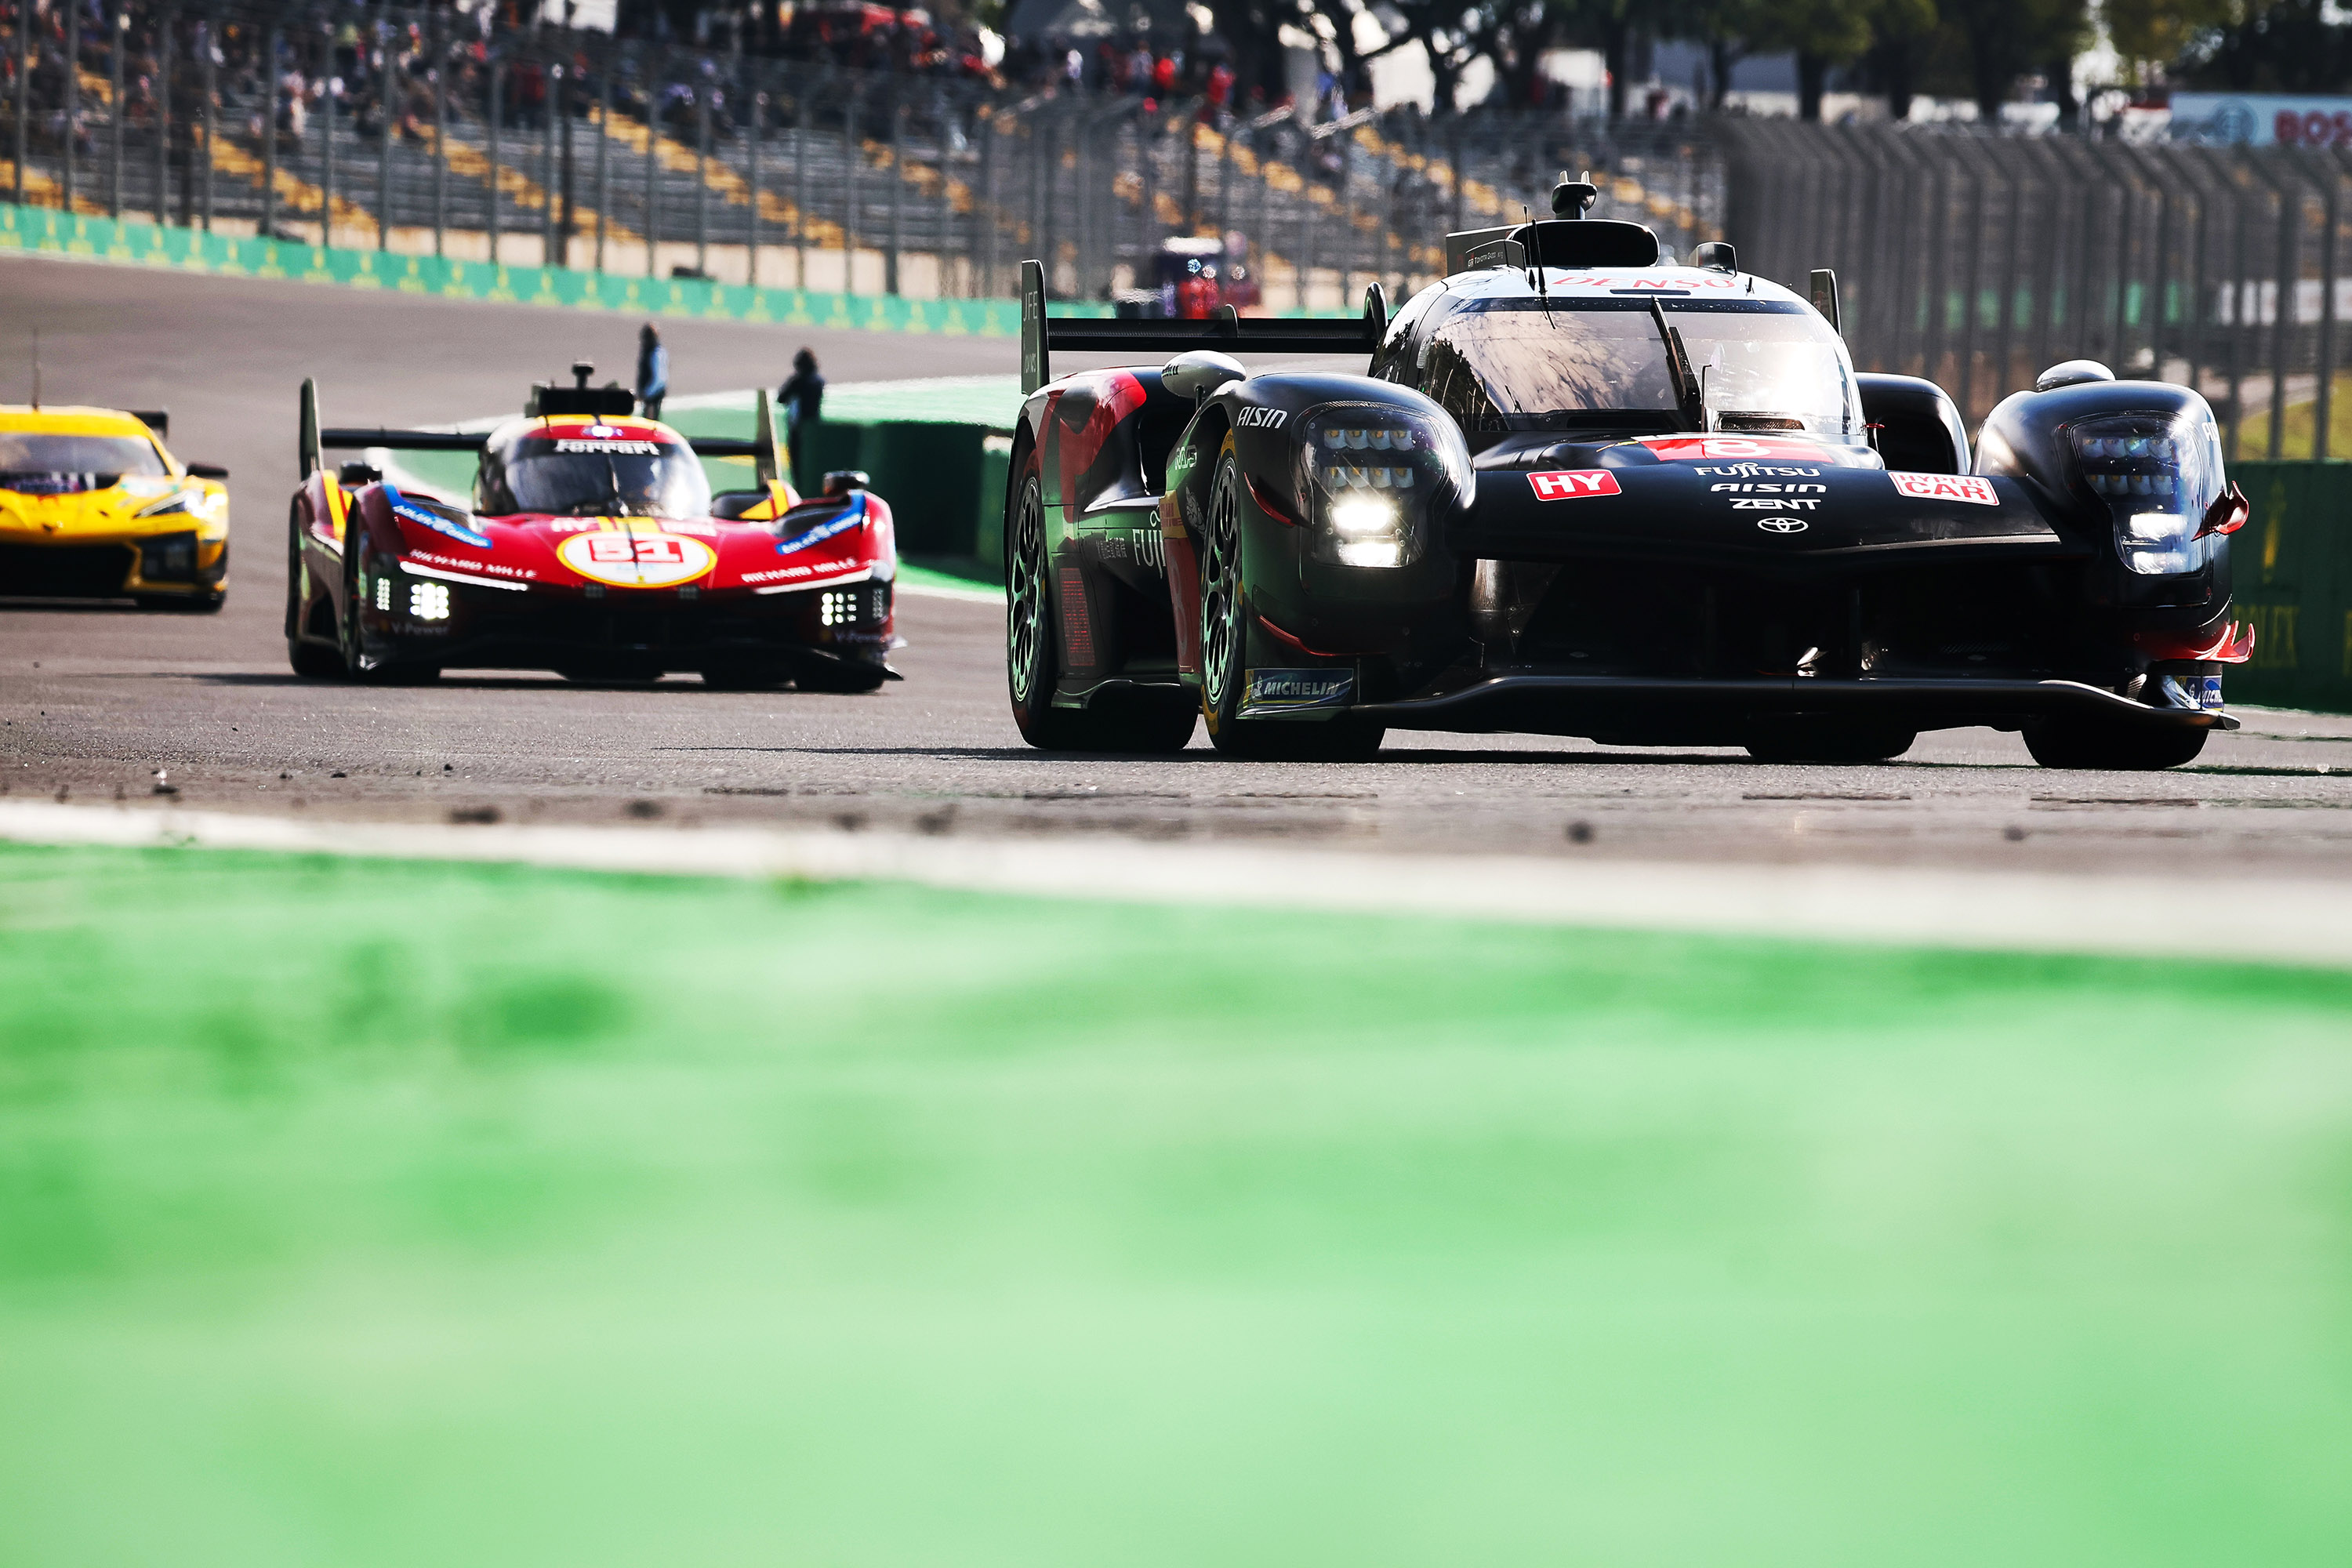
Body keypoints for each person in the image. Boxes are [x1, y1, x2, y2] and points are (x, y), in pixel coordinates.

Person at [778, 347, 824, 490]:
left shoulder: (797, 382)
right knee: (811, 461)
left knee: (797, 462)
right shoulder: (819, 382)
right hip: (813, 426)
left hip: (798, 426)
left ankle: (799, 488)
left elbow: (781, 398)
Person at [635, 322, 668, 421]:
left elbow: (660, 378)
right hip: (648, 395)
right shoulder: (647, 352)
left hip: (653, 396)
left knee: (651, 421)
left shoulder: (657, 353)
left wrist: (647, 393)